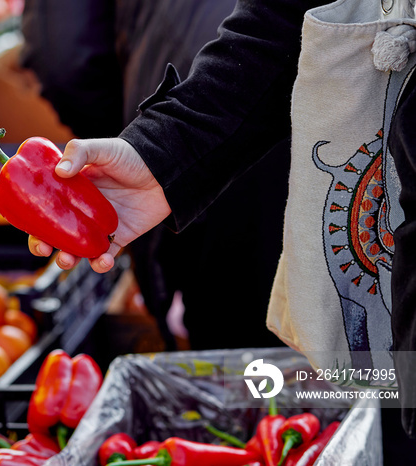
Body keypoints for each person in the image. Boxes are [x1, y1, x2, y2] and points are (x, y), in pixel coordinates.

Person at [22, 0, 416, 457]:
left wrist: (133, 126)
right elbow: (280, 24)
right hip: (331, 196)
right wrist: (160, 153)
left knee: (270, 393)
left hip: (289, 191)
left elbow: (64, 54)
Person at [20, 0, 287, 350]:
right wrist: (150, 152)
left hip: (202, 135)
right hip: (329, 139)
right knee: (350, 358)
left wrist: (135, 141)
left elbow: (64, 60)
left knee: (238, 368)